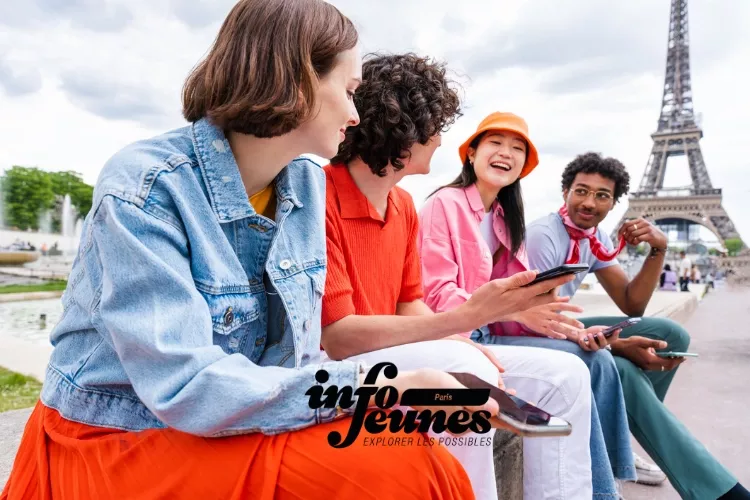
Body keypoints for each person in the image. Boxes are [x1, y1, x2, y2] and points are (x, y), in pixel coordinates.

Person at [0, 3, 483, 499]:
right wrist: (372, 386)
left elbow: (291, 361)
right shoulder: (147, 187)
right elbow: (183, 385)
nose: (356, 114)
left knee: (413, 454)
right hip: (118, 435)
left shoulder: (304, 187)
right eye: (350, 90)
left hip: (226, 421)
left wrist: (398, 390)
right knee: (395, 471)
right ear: (297, 78)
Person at [321, 56, 593, 500]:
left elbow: (411, 302)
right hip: (341, 366)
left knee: (567, 376)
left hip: (396, 351)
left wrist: (458, 336)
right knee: (467, 373)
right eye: (435, 127)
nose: (442, 139)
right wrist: (461, 326)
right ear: (404, 131)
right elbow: (337, 338)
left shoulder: (405, 206)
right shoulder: (322, 196)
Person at [418, 112, 635, 499]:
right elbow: (437, 297)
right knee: (576, 372)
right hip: (457, 341)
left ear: (524, 166)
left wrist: (573, 331)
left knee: (593, 358)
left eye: (517, 149)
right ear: (471, 154)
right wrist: (510, 310)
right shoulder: (444, 205)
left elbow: (525, 304)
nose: (506, 153)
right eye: (495, 143)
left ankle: (611, 482)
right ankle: (607, 490)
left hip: (491, 337)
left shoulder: (505, 219)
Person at [524, 152, 750, 500]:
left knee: (671, 335)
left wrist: (658, 250)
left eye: (602, 195)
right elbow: (541, 320)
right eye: (581, 191)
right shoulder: (545, 235)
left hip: (557, 321)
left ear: (614, 204)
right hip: (527, 331)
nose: (589, 202)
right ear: (565, 192)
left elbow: (632, 304)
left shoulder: (593, 239)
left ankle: (624, 437)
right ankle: (715, 491)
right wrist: (615, 345)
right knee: (622, 369)